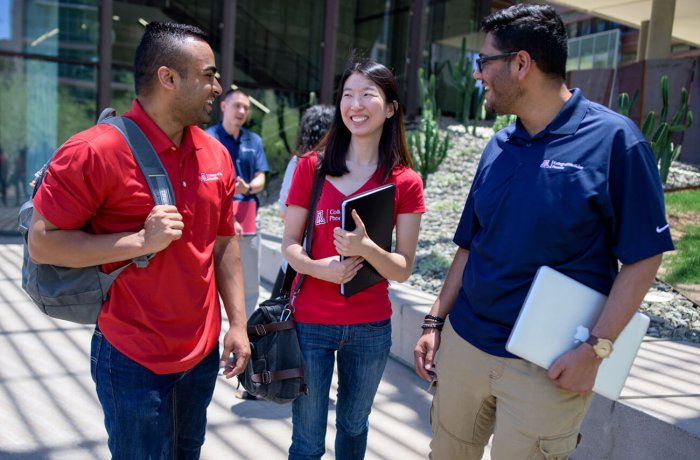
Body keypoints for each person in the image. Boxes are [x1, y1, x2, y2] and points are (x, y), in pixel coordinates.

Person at [413, 4, 675, 459]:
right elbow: (468, 245)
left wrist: (596, 350)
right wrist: (436, 321)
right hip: (466, 349)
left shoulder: (617, 141)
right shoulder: (497, 145)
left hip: (547, 367)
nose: (478, 76)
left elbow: (644, 256)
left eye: (484, 63)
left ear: (521, 64)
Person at [27, 22, 250, 458]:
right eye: (208, 75)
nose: (218, 87)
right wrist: (139, 242)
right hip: (131, 357)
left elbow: (224, 244)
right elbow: (42, 242)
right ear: (168, 78)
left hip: (201, 356)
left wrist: (238, 324)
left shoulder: (216, 154)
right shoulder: (94, 151)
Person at [282, 59, 425, 460]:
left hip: (369, 328)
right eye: (347, 94)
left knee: (353, 427)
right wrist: (317, 268)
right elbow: (290, 243)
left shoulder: (404, 181)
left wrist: (367, 250)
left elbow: (404, 268)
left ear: (391, 108)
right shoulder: (312, 167)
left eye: (367, 94)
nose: (355, 104)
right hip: (310, 323)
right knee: (307, 441)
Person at [206, 89, 269, 318]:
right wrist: (229, 218)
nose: (241, 111)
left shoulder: (254, 140)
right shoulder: (208, 139)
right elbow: (206, 185)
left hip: (248, 215)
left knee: (250, 280)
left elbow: (261, 177)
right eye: (236, 106)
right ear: (223, 106)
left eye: (245, 107)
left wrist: (249, 187)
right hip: (216, 217)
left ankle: (244, 331)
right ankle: (210, 330)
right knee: (209, 278)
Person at [270, 104, 334, 298]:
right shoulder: (344, 167)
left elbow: (283, 210)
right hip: (330, 263)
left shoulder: (300, 162)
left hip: (297, 261)